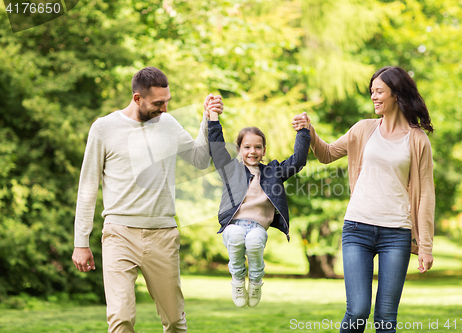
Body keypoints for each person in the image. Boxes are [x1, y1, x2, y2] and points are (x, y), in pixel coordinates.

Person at [71, 66, 223, 333]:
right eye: (158, 103)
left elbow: (199, 159)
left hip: (163, 234)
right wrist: (80, 243)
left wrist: (207, 120)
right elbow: (87, 187)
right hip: (119, 234)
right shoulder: (104, 128)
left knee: (175, 321)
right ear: (137, 98)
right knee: (121, 318)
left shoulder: (168, 124)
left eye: (167, 102)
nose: (164, 109)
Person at [292, 66, 435, 333]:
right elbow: (327, 154)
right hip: (357, 228)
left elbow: (426, 193)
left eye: (379, 91)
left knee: (386, 318)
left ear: (396, 94)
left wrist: (425, 245)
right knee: (357, 311)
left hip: (397, 234)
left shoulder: (418, 140)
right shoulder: (363, 129)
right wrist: (309, 131)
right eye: (372, 92)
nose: (374, 97)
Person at [207, 106, 310, 308]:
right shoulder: (231, 170)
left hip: (257, 228)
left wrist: (303, 131)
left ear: (264, 150)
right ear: (239, 150)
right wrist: (213, 116)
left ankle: (255, 281)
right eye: (247, 147)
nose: (252, 151)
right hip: (233, 225)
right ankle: (237, 280)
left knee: (254, 240)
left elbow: (298, 161)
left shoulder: (274, 172)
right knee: (236, 235)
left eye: (257, 147)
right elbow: (216, 148)